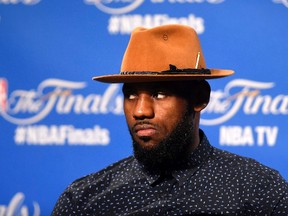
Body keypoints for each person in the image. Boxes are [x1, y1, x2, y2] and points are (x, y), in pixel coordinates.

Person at [52, 24, 288, 215]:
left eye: (159, 94)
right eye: (131, 94)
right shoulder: (83, 200)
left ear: (199, 98)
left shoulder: (258, 190)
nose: (141, 111)